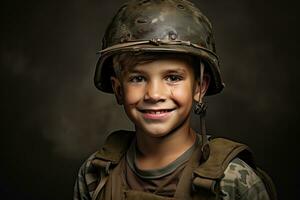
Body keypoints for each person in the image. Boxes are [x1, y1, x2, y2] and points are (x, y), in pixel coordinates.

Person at [74, 0, 276, 199]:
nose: (154, 94)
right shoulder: (96, 173)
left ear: (199, 87)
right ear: (118, 90)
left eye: (173, 78)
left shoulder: (234, 181)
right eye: (138, 78)